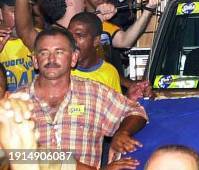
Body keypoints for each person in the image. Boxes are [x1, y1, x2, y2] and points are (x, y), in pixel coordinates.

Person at [15, 28, 148, 168]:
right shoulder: (15, 102)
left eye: (59, 52)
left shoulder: (95, 93)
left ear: (73, 58)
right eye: (44, 53)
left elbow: (136, 111)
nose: (51, 59)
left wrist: (122, 133)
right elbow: (8, 155)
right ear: (35, 60)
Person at [68, 12, 121, 92]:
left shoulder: (109, 73)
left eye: (80, 36)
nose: (72, 41)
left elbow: (115, 103)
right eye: (69, 35)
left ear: (96, 40)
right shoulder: (63, 69)